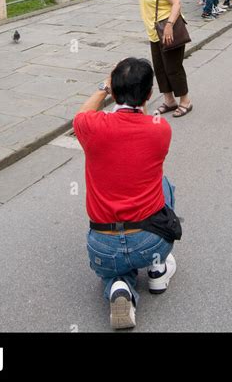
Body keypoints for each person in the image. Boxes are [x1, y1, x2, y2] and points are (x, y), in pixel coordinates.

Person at [73, 58, 179, 330]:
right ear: (149, 94)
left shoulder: (92, 127)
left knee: (115, 269)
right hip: (150, 242)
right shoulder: (161, 130)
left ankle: (120, 287)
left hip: (102, 247)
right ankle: (157, 270)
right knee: (164, 184)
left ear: (114, 91)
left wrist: (103, 87)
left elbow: (79, 116)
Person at [119, 0, 192, 117]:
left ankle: (185, 101)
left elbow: (176, 4)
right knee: (159, 69)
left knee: (173, 68)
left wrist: (168, 25)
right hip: (154, 34)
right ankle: (169, 100)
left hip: (169, 32)